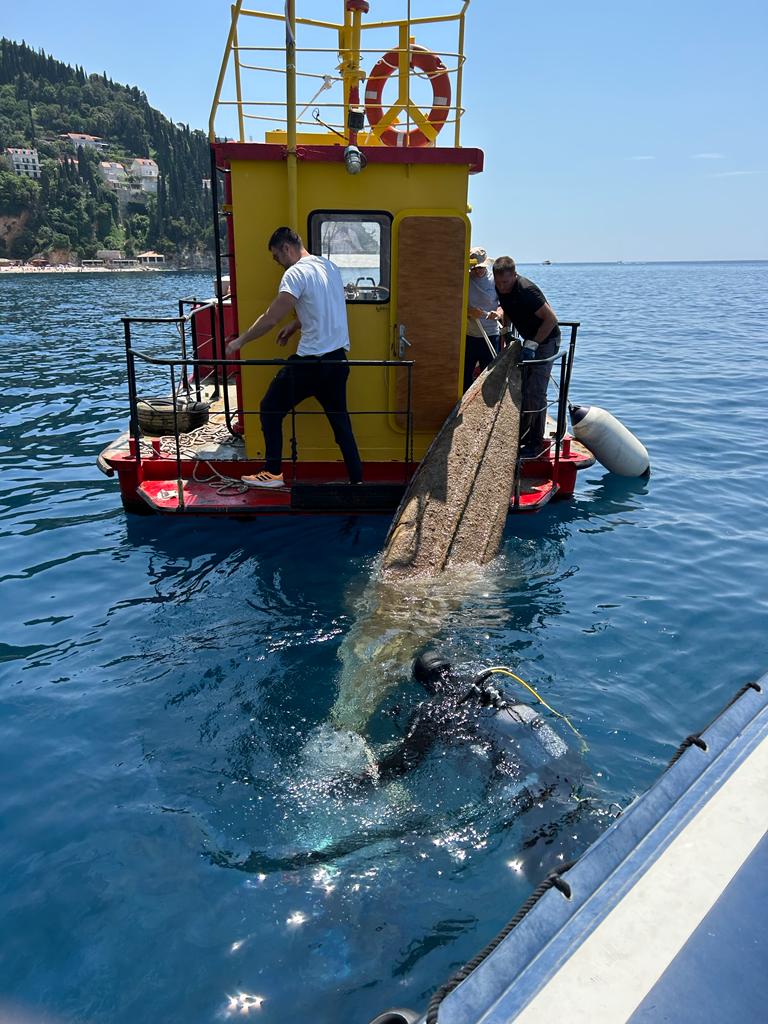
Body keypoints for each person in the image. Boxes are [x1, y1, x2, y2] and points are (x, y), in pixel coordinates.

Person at [225, 226, 363, 488]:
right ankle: (357, 481)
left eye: (277, 257)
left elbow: (271, 318)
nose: (278, 264)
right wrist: (297, 324)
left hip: (310, 364)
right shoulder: (329, 268)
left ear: (286, 248)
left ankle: (273, 473)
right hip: (337, 361)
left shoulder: (295, 272)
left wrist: (240, 341)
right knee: (341, 425)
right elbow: (322, 306)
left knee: (269, 408)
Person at [492, 256, 561, 458]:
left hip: (546, 341)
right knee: (523, 389)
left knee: (535, 392)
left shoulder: (526, 290)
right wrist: (505, 328)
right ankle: (522, 433)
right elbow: (507, 307)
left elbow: (551, 319)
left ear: (514, 275)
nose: (502, 287)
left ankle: (535, 443)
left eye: (506, 282)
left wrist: (533, 344)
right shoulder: (500, 288)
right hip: (528, 338)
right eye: (498, 282)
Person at [463, 246, 502, 393]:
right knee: (465, 376)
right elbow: (455, 305)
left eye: (481, 267)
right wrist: (469, 312)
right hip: (470, 335)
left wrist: (498, 314)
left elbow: (502, 305)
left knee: (490, 376)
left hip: (491, 334)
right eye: (474, 268)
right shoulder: (465, 279)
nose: (478, 270)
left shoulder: (495, 280)